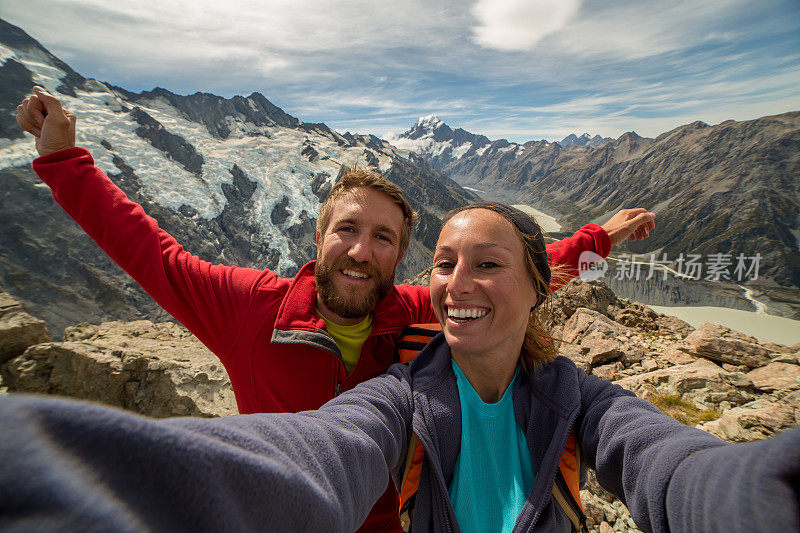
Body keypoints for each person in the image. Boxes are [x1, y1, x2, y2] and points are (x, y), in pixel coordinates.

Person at [14, 87, 657, 531]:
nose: (360, 251)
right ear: (318, 237)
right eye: (347, 230)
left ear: (400, 256)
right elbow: (150, 253)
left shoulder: (410, 310)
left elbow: (509, 271)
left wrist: (601, 236)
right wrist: (63, 160)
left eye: (384, 239)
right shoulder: (251, 308)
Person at [0, 203, 797, 532]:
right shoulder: (397, 393)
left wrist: (758, 492)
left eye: (386, 238)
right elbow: (318, 449)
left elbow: (667, 462)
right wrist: (95, 474)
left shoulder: (574, 395)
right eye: (446, 263)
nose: (456, 282)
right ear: (318, 239)